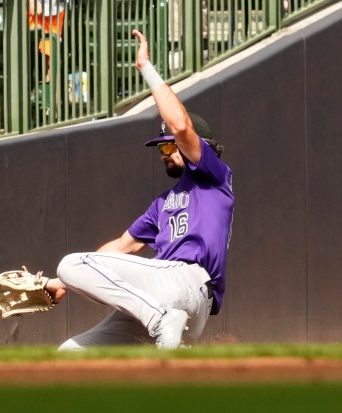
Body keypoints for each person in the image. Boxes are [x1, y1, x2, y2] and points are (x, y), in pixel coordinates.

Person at [44, 29, 235, 350]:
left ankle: (161, 320)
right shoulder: (162, 205)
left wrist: (146, 67)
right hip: (161, 299)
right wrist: (60, 283)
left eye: (169, 147)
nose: (164, 154)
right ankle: (167, 334)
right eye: (161, 150)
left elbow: (181, 126)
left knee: (70, 262)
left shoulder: (213, 178)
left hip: (187, 282)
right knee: (70, 354)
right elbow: (121, 246)